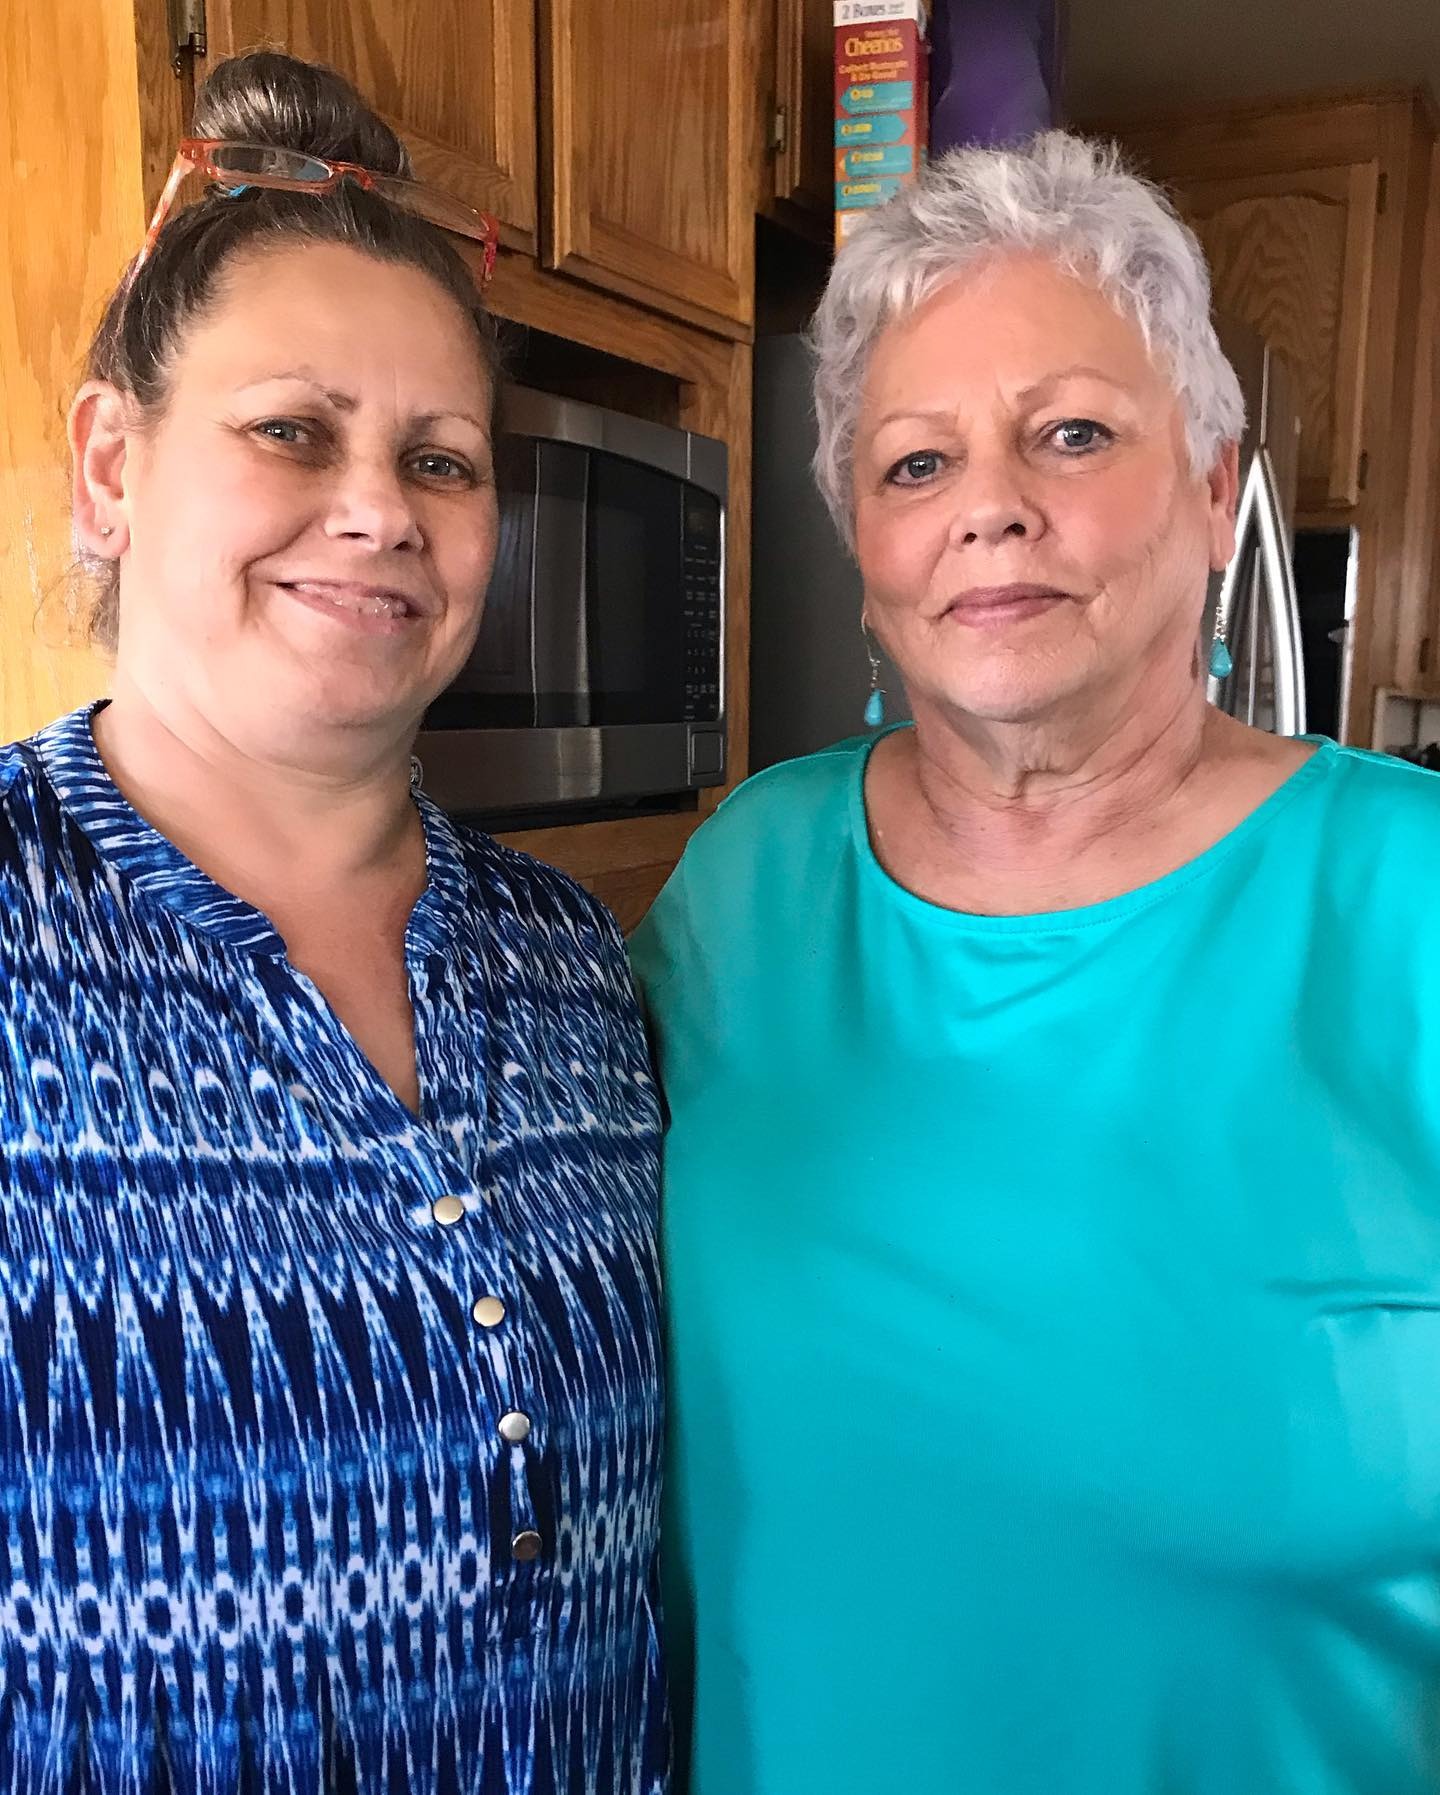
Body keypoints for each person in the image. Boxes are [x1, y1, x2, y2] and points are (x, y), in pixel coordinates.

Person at [630, 132, 1440, 1795]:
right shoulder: (746, 886)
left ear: (1212, 489)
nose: (990, 506)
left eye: (1072, 434)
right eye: (916, 464)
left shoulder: (1406, 896)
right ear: (863, 551)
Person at [0, 51, 666, 1794]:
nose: (379, 511)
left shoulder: (572, 962)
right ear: (111, 464)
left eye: (441, 459)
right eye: (292, 430)